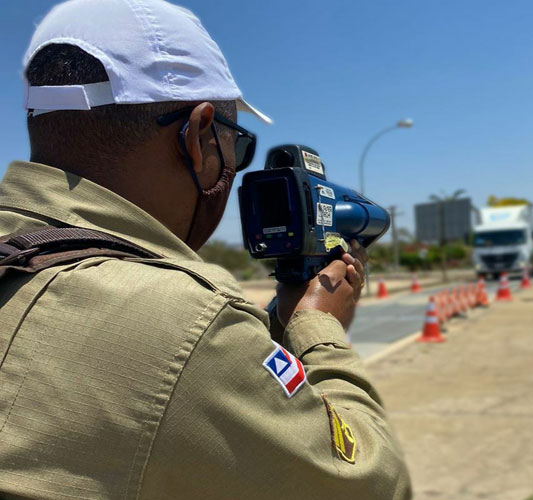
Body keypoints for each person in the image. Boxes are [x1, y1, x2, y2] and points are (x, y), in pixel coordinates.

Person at [0, 1, 411, 499]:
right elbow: (370, 484)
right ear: (197, 136)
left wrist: (274, 329)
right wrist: (318, 328)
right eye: (234, 145)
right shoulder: (188, 327)